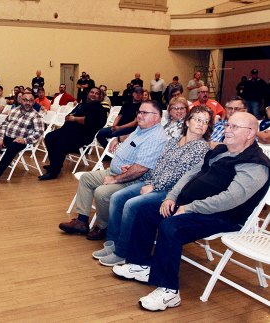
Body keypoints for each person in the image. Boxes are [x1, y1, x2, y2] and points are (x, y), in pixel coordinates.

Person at [113, 112, 270, 311]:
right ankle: (141, 264)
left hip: (223, 216)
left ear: (250, 134)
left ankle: (169, 291)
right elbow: (191, 173)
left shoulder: (255, 164)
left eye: (234, 127)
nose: (227, 130)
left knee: (171, 227)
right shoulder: (222, 150)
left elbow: (231, 199)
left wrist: (189, 207)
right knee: (146, 211)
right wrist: (172, 196)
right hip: (190, 206)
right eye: (228, 125)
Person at [93, 106, 212, 266]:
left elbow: (181, 175)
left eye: (205, 121)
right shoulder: (175, 141)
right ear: (188, 121)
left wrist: (153, 187)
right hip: (154, 182)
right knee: (117, 197)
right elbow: (159, 163)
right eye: (198, 119)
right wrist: (138, 171)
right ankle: (113, 243)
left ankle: (122, 252)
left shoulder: (202, 147)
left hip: (171, 192)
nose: (201, 124)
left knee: (131, 205)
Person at [58, 101, 168, 240]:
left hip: (131, 180)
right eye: (139, 112)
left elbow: (141, 169)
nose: (139, 115)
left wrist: (115, 179)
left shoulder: (156, 137)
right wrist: (117, 138)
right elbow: (130, 141)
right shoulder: (142, 128)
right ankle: (82, 221)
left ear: (157, 117)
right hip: (115, 172)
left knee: (102, 193)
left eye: (144, 113)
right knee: (86, 179)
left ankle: (103, 227)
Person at [39, 87, 107, 180]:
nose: (93, 94)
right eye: (92, 92)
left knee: (60, 142)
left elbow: (90, 121)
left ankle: (54, 172)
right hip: (67, 131)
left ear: (100, 97)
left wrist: (74, 119)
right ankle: (55, 163)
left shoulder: (100, 110)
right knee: (49, 137)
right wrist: (68, 116)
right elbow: (72, 113)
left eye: (96, 93)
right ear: (88, 94)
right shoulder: (81, 105)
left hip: (82, 135)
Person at [0, 92, 44, 184]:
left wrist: (25, 140)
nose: (28, 103)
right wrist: (0, 138)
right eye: (25, 100)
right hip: (6, 136)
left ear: (33, 102)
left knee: (12, 147)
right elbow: (4, 125)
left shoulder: (36, 115)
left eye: (31, 101)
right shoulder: (14, 110)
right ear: (21, 100)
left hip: (20, 140)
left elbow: (39, 133)